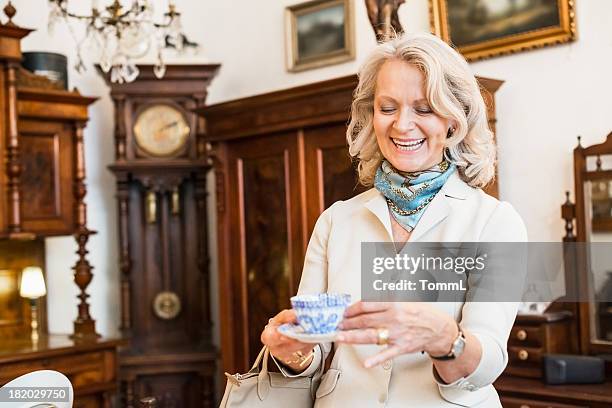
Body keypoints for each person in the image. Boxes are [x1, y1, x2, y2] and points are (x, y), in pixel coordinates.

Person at [260, 31, 526, 407]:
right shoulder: (337, 221)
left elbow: (487, 364)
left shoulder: (494, 222)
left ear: (454, 120)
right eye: (388, 108)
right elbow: (315, 349)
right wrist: (292, 352)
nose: (402, 125)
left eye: (423, 108)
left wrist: (444, 338)